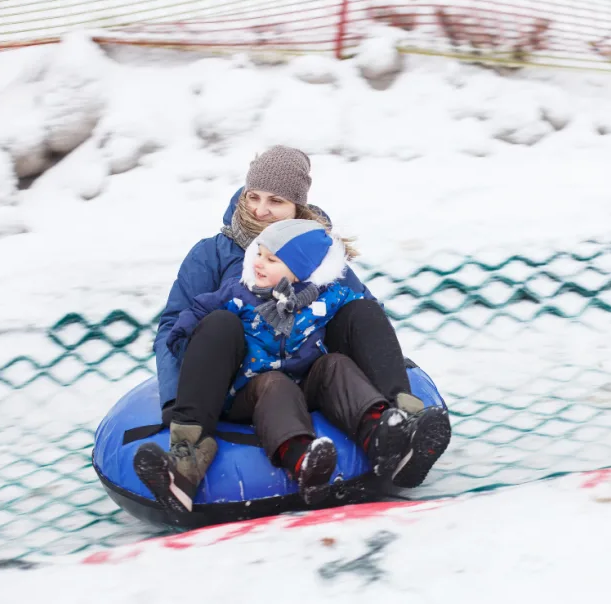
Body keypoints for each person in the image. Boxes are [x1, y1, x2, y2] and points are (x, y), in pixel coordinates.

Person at [149, 145, 450, 505]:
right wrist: (176, 396)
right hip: (243, 382)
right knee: (221, 323)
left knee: (361, 313)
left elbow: (363, 312)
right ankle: (189, 453)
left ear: (296, 208)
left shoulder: (315, 252)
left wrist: (389, 364)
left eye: (275, 200)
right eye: (253, 197)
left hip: (312, 371)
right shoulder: (211, 254)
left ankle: (399, 428)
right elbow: (175, 324)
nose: (260, 210)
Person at [135, 219, 414, 509]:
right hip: (252, 387)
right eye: (259, 254)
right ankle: (301, 460)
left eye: (271, 259)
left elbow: (363, 309)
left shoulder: (325, 295)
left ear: (299, 272)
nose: (258, 263)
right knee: (274, 384)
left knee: (336, 364)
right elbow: (198, 310)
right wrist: (184, 338)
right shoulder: (239, 293)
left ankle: (381, 433)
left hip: (307, 381)